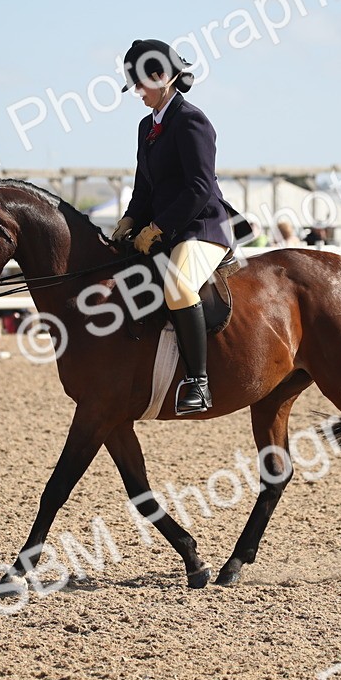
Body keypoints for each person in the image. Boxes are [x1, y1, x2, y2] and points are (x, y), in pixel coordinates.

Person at [111, 38, 241, 416]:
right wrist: (130, 220)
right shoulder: (146, 126)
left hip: (202, 226)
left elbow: (199, 187)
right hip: (163, 226)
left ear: (162, 77)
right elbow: (144, 186)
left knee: (179, 286)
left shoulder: (191, 121)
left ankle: (198, 382)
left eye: (140, 84)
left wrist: (158, 227)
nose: (138, 92)